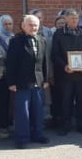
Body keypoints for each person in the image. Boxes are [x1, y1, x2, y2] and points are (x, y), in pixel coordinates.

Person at [6, 14, 50, 149]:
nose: (33, 27)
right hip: (21, 83)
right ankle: (22, 138)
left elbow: (45, 62)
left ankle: (38, 134)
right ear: (23, 26)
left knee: (38, 110)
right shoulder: (16, 41)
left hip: (38, 82)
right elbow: (11, 63)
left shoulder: (42, 40)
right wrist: (11, 82)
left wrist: (46, 79)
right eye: (30, 25)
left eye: (35, 25)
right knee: (22, 112)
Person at [52, 9, 82, 135]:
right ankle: (65, 126)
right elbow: (55, 54)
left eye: (76, 18)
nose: (75, 20)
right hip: (66, 75)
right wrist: (64, 66)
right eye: (72, 18)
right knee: (65, 101)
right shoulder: (58, 34)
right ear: (66, 19)